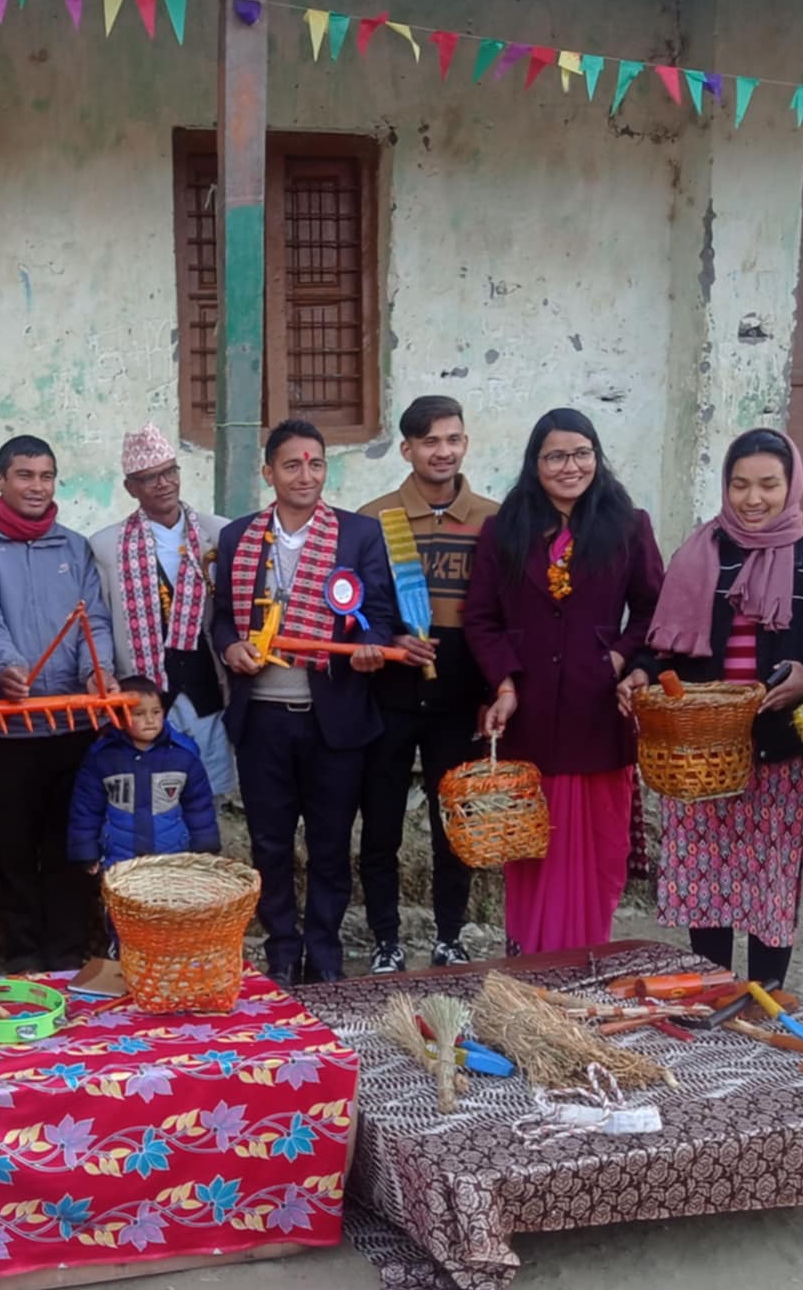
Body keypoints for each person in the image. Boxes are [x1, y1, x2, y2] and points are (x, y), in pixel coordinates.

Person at [621, 429, 803, 988]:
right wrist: (641, 673)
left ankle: (764, 995)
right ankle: (713, 989)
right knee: (703, 877)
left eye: (769, 485)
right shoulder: (699, 554)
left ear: (791, 484)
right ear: (726, 486)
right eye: (741, 484)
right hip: (698, 750)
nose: (754, 499)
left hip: (779, 747)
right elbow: (666, 649)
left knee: (770, 877)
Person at [213, 420, 425, 985]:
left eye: (315, 465)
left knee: (331, 842)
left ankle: (324, 951)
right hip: (263, 719)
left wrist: (364, 647)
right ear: (268, 473)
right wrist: (232, 646)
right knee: (270, 841)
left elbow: (378, 614)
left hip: (336, 718)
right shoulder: (239, 538)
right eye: (291, 465)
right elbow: (221, 619)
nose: (305, 476)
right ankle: (282, 947)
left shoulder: (358, 535)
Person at [464, 407, 664, 956]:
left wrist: (623, 658)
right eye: (555, 455)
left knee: (596, 848)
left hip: (599, 709)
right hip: (526, 713)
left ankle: (585, 956)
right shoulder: (504, 530)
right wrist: (503, 683)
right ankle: (531, 959)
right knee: (531, 845)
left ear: (596, 458)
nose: (570, 466)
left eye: (581, 453)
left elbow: (654, 609)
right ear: (535, 464)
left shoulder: (627, 524)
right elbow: (481, 618)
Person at [0, 436, 116, 973]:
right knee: (14, 853)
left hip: (72, 726)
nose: (36, 486)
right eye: (24, 475)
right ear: (0, 480)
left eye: (45, 476)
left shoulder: (76, 547)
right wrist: (7, 667)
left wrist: (97, 669)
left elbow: (97, 623)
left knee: (72, 849)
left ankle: (69, 958)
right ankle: (24, 960)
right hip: (8, 733)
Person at [355, 396, 498, 973]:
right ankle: (386, 939)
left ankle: (449, 936)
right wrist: (390, 639)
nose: (444, 452)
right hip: (388, 690)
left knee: (454, 826)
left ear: (465, 443)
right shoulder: (372, 517)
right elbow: (357, 604)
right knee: (382, 824)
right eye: (430, 442)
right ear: (407, 448)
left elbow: (499, 611)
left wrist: (495, 687)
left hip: (460, 693)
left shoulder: (492, 518)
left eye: (453, 439)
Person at [87, 424, 234, 799]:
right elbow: (98, 622)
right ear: (130, 488)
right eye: (149, 478)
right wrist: (101, 669)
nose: (163, 483)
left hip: (207, 691)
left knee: (205, 798)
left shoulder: (220, 534)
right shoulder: (105, 548)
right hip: (145, 701)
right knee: (146, 799)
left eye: (170, 471)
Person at [67, 677, 220, 877]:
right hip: (119, 862)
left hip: (174, 859)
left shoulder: (183, 755)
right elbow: (86, 810)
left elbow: (199, 806)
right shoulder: (103, 757)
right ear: (119, 718)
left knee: (171, 906)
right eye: (139, 713)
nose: (150, 720)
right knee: (121, 908)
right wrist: (86, 853)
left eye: (156, 712)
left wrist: (205, 848)